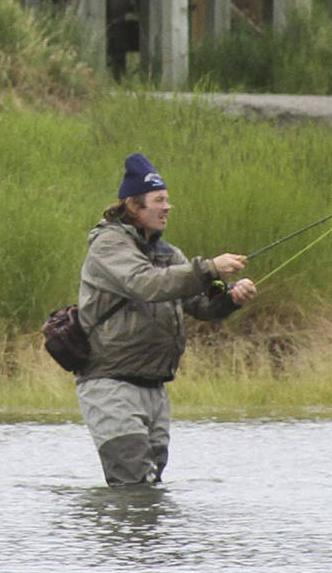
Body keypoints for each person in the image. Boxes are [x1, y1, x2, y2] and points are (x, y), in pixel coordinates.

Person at [75, 153, 256, 486]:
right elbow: (146, 284)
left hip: (154, 387)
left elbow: (201, 304)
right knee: (132, 484)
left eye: (168, 200)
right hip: (111, 384)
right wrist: (209, 268)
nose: (167, 207)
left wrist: (229, 298)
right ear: (133, 205)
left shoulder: (169, 254)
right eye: (159, 200)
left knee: (150, 484)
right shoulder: (109, 246)